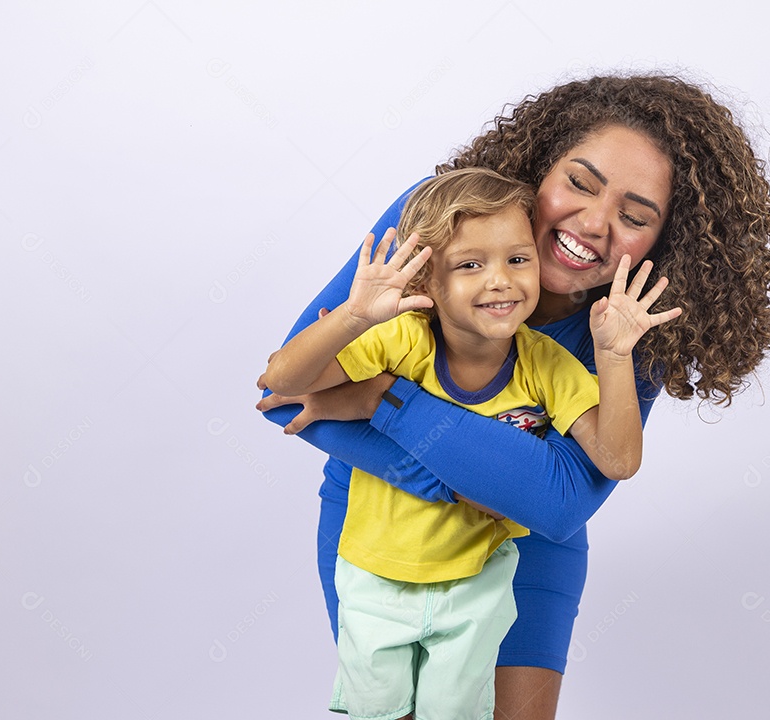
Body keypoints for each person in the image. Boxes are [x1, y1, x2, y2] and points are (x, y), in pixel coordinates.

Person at [257, 73, 770, 719]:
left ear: (664, 242)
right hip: (384, 523)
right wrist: (456, 483)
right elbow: (288, 393)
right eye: (579, 182)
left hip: (529, 546)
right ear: (539, 171)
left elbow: (563, 500)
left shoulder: (634, 322)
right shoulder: (438, 219)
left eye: (634, 216)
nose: (594, 224)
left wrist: (383, 401)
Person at [261, 168, 678, 719]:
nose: (500, 280)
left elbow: (616, 460)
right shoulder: (405, 335)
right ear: (428, 280)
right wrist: (355, 315)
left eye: (517, 259)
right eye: (471, 265)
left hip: (481, 582)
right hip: (380, 569)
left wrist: (616, 356)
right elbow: (281, 386)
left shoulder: (549, 363)